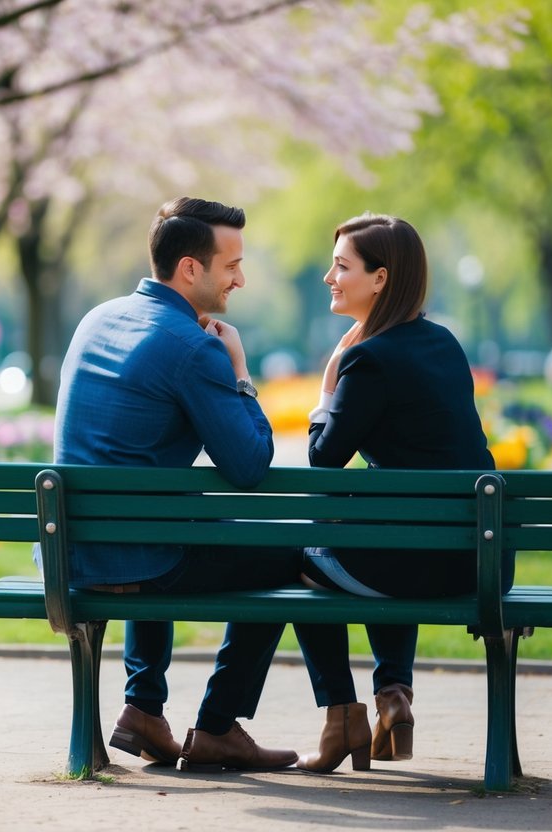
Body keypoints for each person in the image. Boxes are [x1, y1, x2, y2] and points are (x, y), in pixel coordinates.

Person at [43, 196, 303, 773]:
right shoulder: (193, 347)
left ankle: (144, 712)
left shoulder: (97, 319)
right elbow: (250, 465)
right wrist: (238, 368)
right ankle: (216, 727)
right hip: (135, 555)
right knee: (289, 554)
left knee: (157, 524)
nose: (241, 277)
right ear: (191, 268)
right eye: (231, 264)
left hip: (71, 552)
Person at [291, 213, 508, 774]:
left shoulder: (367, 360)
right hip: (480, 563)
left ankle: (343, 715)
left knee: (302, 559)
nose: (328, 278)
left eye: (341, 266)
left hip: (419, 563)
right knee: (389, 540)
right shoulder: (445, 344)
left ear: (380, 279)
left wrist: (327, 383)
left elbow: (322, 461)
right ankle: (394, 696)